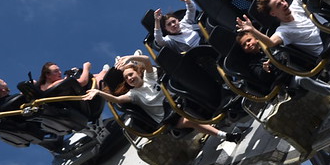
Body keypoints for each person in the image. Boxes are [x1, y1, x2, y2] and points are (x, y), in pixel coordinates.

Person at [82, 54, 242, 142]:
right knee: (189, 120)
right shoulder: (133, 95)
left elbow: (145, 60)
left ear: (138, 73)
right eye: (127, 78)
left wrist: (129, 58)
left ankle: (230, 109)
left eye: (131, 74)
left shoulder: (149, 77)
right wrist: (98, 93)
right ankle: (225, 135)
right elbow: (116, 101)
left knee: (194, 89)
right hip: (170, 116)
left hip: (179, 102)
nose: (130, 78)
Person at [233, 25, 330, 99]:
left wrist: (277, 58)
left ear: (255, 38)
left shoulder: (271, 44)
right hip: (289, 80)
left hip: (299, 64)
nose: (248, 44)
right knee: (301, 79)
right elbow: (263, 77)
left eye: (249, 40)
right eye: (244, 45)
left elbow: (284, 53)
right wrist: (266, 70)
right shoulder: (253, 63)